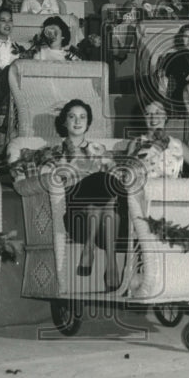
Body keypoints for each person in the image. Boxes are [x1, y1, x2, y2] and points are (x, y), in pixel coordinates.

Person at [48, 99, 126, 291]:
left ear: (88, 123)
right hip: (75, 216)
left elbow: (118, 180)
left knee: (105, 202)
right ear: (64, 122)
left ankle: (97, 253)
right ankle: (110, 262)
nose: (77, 121)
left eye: (83, 117)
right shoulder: (55, 153)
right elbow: (48, 179)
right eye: (72, 116)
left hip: (104, 224)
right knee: (101, 178)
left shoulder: (99, 150)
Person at [126, 99, 189, 179]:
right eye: (148, 114)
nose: (153, 117)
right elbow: (127, 170)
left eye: (158, 113)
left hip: (173, 189)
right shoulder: (136, 142)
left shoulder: (177, 144)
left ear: (166, 116)